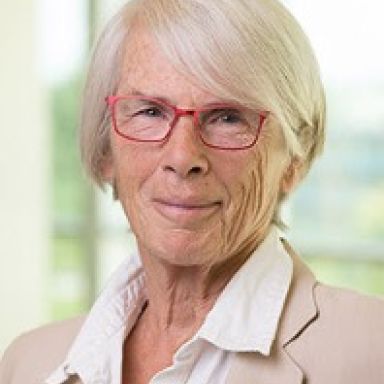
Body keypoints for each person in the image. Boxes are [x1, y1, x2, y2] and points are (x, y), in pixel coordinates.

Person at [1, 0, 383, 383]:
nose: (183, 157)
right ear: (106, 151)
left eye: (228, 117)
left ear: (293, 160)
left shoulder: (370, 351)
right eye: (150, 111)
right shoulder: (27, 363)